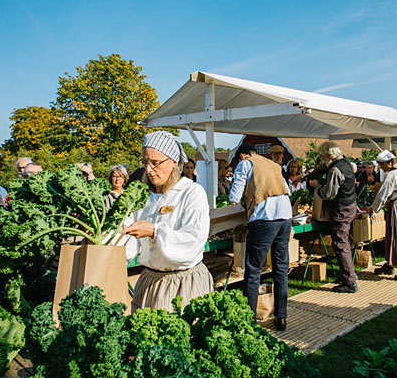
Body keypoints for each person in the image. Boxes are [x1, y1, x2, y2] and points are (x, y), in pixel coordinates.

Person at [123, 131, 213, 313]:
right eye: (145, 162)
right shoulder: (142, 197)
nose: (148, 169)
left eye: (155, 163)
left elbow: (193, 241)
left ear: (173, 162)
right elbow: (130, 242)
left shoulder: (191, 193)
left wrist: (155, 231)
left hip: (183, 283)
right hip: (150, 283)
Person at [229, 143, 292, 331]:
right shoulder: (272, 164)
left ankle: (248, 316)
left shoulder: (245, 164)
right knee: (280, 268)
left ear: (242, 156)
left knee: (254, 269)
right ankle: (281, 317)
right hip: (285, 216)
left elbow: (234, 195)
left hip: (264, 218)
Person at [308, 141, 358, 293]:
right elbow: (324, 167)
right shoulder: (344, 162)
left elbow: (329, 194)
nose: (322, 159)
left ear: (329, 155)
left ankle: (349, 282)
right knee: (343, 243)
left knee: (340, 244)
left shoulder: (335, 170)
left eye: (323, 156)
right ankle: (347, 275)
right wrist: (306, 175)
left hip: (341, 209)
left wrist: (317, 186)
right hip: (349, 206)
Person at [367, 150, 397, 280]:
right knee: (392, 236)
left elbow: (383, 192)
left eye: (382, 164)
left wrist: (374, 207)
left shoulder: (392, 175)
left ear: (390, 163)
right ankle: (390, 263)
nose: (381, 167)